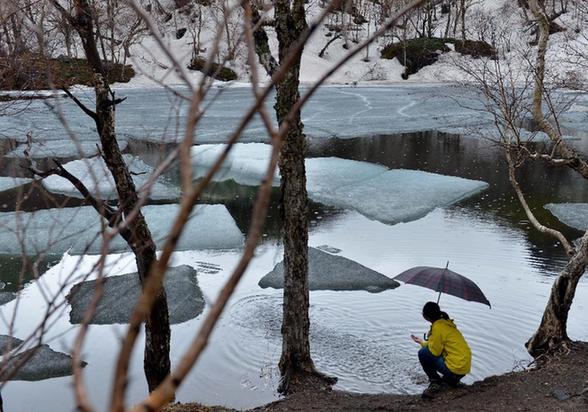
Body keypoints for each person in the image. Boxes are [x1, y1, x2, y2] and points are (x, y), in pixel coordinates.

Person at [410, 301, 471, 398]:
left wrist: (430, 336)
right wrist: (422, 342)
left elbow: (434, 351)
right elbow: (438, 346)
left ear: (426, 316)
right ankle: (452, 381)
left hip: (455, 369)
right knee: (432, 352)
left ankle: (435, 381)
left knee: (423, 353)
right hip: (464, 369)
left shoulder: (438, 328)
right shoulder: (446, 324)